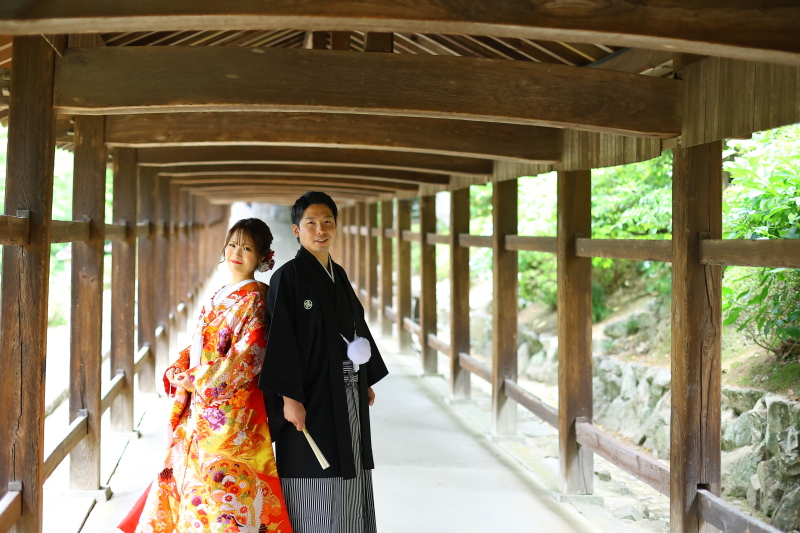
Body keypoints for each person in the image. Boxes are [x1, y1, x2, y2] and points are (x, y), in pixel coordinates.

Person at [122, 218, 293, 533]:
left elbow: (248, 354)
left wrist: (196, 379)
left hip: (231, 412)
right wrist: (180, 364)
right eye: (232, 244)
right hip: (203, 404)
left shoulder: (256, 298)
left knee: (225, 491)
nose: (236, 253)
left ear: (262, 256)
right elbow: (199, 342)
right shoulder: (221, 293)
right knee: (197, 485)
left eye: (247, 248)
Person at [259, 191, 389, 533]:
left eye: (328, 222)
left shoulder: (339, 274)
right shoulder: (288, 278)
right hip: (310, 394)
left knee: (350, 465)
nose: (321, 229)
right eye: (311, 223)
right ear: (296, 230)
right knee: (314, 470)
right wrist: (289, 398)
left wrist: (366, 379)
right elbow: (281, 341)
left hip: (345, 390)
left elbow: (355, 327)